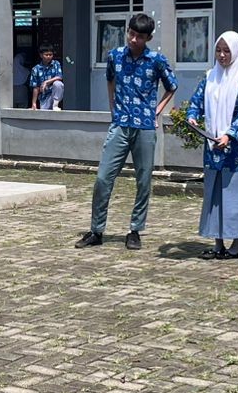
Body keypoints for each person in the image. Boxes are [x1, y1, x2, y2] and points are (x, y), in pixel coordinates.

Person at [76, 13, 178, 251]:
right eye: (131, 34)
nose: (134, 39)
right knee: (103, 178)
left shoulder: (156, 60)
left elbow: (172, 86)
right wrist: (113, 107)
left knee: (143, 181)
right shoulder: (115, 56)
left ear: (148, 38)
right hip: (120, 124)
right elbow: (110, 80)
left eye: (139, 37)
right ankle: (96, 230)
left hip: (144, 127)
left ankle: (135, 229)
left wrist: (156, 113)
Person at [185, 31, 238, 259]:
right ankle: (218, 244)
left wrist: (230, 135)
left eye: (227, 51)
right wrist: (192, 115)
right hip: (212, 145)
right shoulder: (211, 76)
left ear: (237, 51)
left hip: (236, 150)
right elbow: (197, 100)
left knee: (235, 196)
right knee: (215, 194)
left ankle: (236, 246)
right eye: (218, 50)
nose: (222, 55)